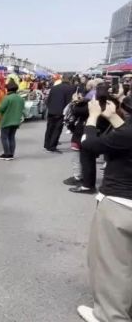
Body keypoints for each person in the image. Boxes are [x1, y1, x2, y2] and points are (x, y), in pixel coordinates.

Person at [77, 96, 132, 322]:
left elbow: (90, 145)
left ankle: (111, 315)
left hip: (121, 203)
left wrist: (92, 117)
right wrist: (113, 117)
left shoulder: (127, 134)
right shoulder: (126, 133)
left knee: (112, 264)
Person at [0, 80, 25, 160]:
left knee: (4, 137)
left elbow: (1, 108)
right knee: (12, 137)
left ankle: (7, 154)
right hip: (16, 122)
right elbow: (22, 109)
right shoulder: (20, 99)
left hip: (7, 121)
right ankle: (11, 154)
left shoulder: (7, 98)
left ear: (8, 89)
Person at [44, 76, 74, 153]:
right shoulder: (70, 88)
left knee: (49, 128)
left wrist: (50, 107)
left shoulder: (54, 87)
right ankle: (52, 146)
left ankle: (46, 144)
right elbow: (69, 102)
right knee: (57, 129)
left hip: (51, 110)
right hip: (62, 112)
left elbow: (48, 100)